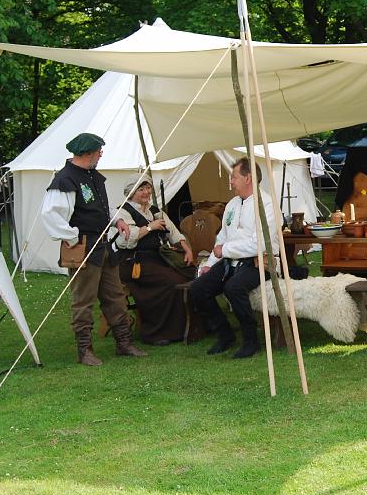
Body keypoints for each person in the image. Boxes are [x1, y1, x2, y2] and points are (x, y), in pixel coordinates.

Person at [41, 132, 146, 366]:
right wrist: (72, 236)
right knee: (83, 300)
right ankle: (85, 350)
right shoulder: (65, 179)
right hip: (83, 247)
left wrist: (116, 220)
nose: (101, 154)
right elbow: (51, 215)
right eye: (99, 150)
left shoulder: (92, 176)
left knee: (115, 295)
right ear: (88, 153)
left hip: (103, 245)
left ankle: (124, 343)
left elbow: (100, 207)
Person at [188, 157, 278, 359]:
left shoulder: (267, 205)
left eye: (234, 176)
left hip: (258, 263)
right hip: (230, 261)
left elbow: (260, 244)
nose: (231, 181)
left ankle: (251, 340)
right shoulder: (232, 204)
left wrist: (225, 250)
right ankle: (225, 334)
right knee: (198, 289)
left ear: (248, 178)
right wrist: (210, 264)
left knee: (233, 287)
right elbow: (221, 239)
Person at [114, 175, 196, 345]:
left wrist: (187, 249)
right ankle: (157, 332)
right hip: (134, 262)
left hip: (157, 259)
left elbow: (173, 232)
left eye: (148, 188)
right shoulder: (123, 212)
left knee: (190, 273)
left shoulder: (154, 210)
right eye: (141, 189)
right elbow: (126, 240)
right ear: (131, 192)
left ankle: (192, 325)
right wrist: (150, 227)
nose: (146, 192)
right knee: (171, 281)